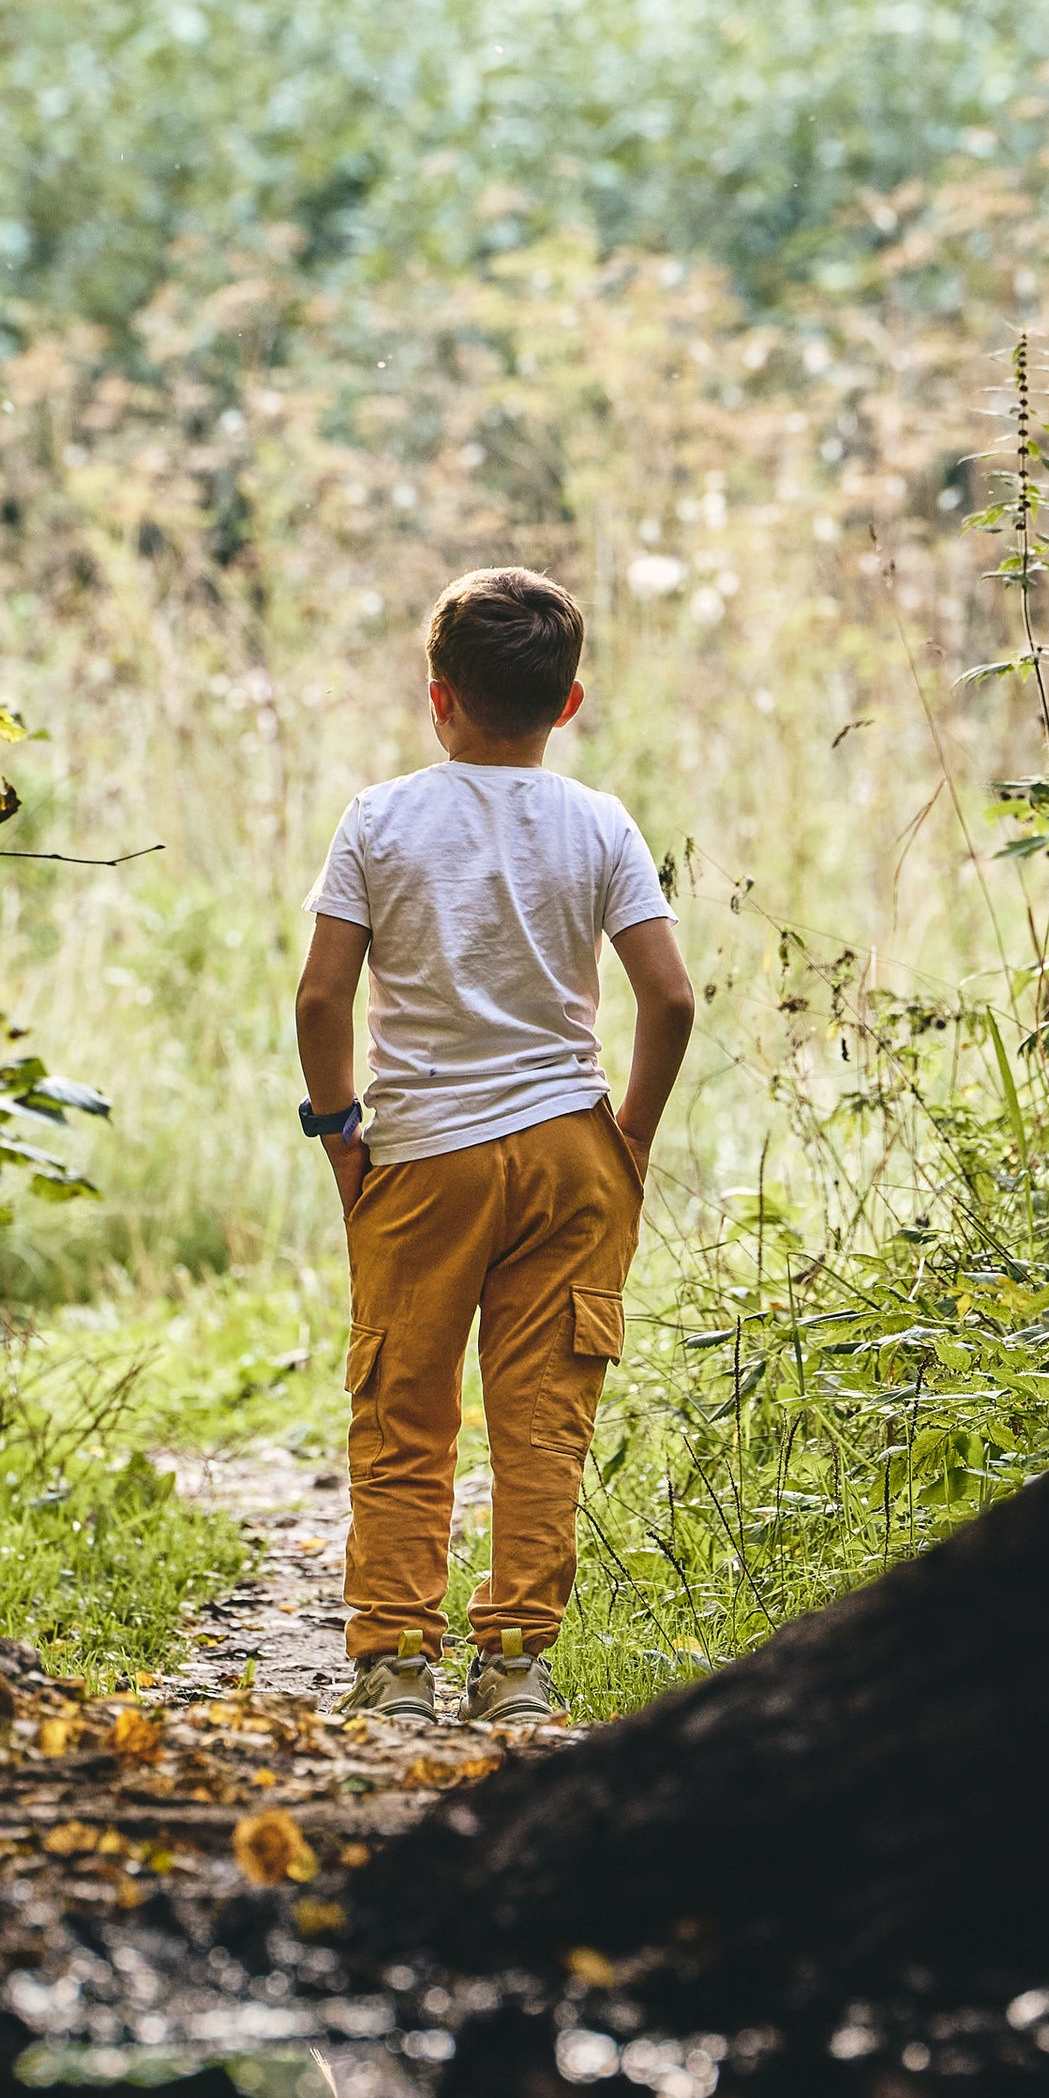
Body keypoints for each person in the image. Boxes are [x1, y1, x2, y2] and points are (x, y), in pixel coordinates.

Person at [293, 565, 697, 1728]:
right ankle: (516, 1662)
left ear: (439, 698)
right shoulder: (601, 821)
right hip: (571, 1153)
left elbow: (322, 1001)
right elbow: (667, 1000)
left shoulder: (379, 819)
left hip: (422, 1158)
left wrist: (338, 1132)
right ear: (567, 706)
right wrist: (628, 1136)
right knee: (541, 1421)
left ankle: (395, 1663)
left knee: (403, 1410)